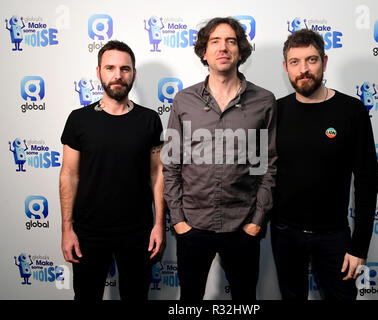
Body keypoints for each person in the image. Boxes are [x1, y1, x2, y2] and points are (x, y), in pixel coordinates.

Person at [162, 17, 277, 300]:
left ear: (240, 51)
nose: (223, 47)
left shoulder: (264, 101)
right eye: (215, 41)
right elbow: (171, 163)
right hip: (193, 225)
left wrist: (256, 221)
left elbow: (268, 165)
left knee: (245, 300)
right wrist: (178, 220)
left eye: (230, 41)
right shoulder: (183, 101)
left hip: (243, 226)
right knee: (189, 299)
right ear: (204, 52)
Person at [271, 29, 378, 300]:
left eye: (311, 60)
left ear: (325, 61)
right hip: (284, 234)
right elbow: (260, 171)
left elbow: (368, 181)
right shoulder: (275, 111)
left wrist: (359, 247)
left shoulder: (352, 110)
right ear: (286, 67)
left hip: (334, 237)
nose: (304, 69)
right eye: (295, 62)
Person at [60, 40, 165, 300]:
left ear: (134, 74)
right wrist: (67, 229)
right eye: (110, 68)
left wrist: (159, 224)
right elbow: (69, 175)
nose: (118, 75)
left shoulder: (150, 119)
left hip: (138, 232)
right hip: (88, 232)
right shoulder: (78, 119)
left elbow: (158, 174)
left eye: (125, 69)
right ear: (98, 72)